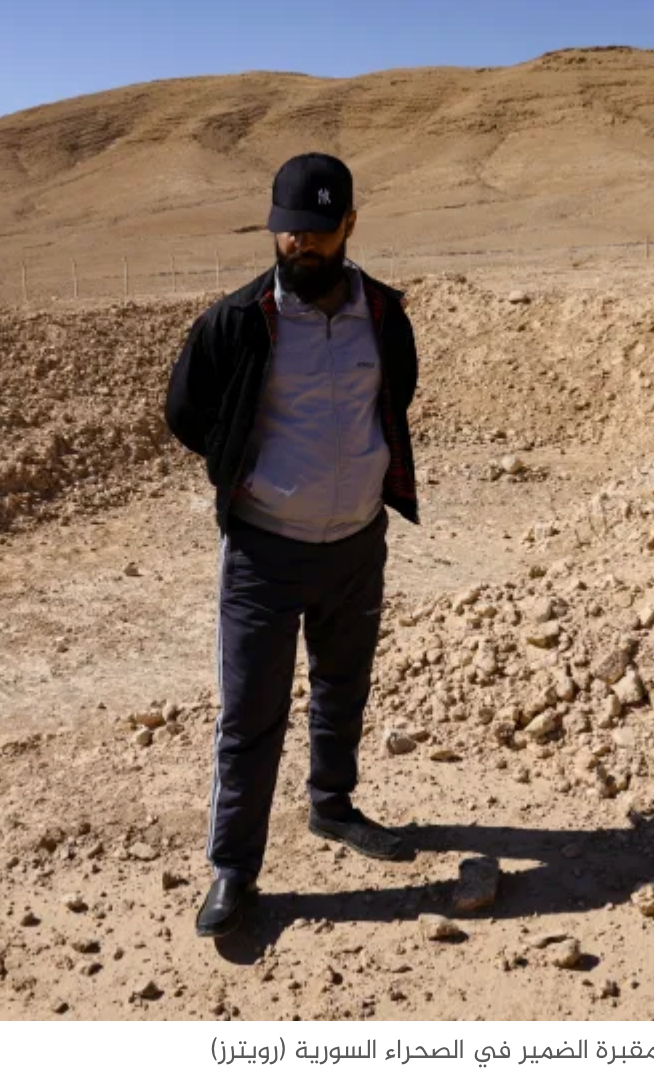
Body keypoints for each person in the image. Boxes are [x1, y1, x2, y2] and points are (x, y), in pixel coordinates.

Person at [164, 152, 422, 938]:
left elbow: (398, 394)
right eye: (288, 234)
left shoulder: (384, 313)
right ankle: (234, 873)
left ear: (349, 224)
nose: (300, 248)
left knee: (343, 688)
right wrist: (252, 472)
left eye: (316, 232)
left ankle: (332, 808)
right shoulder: (239, 319)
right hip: (264, 554)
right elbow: (186, 411)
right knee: (250, 717)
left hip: (356, 544)